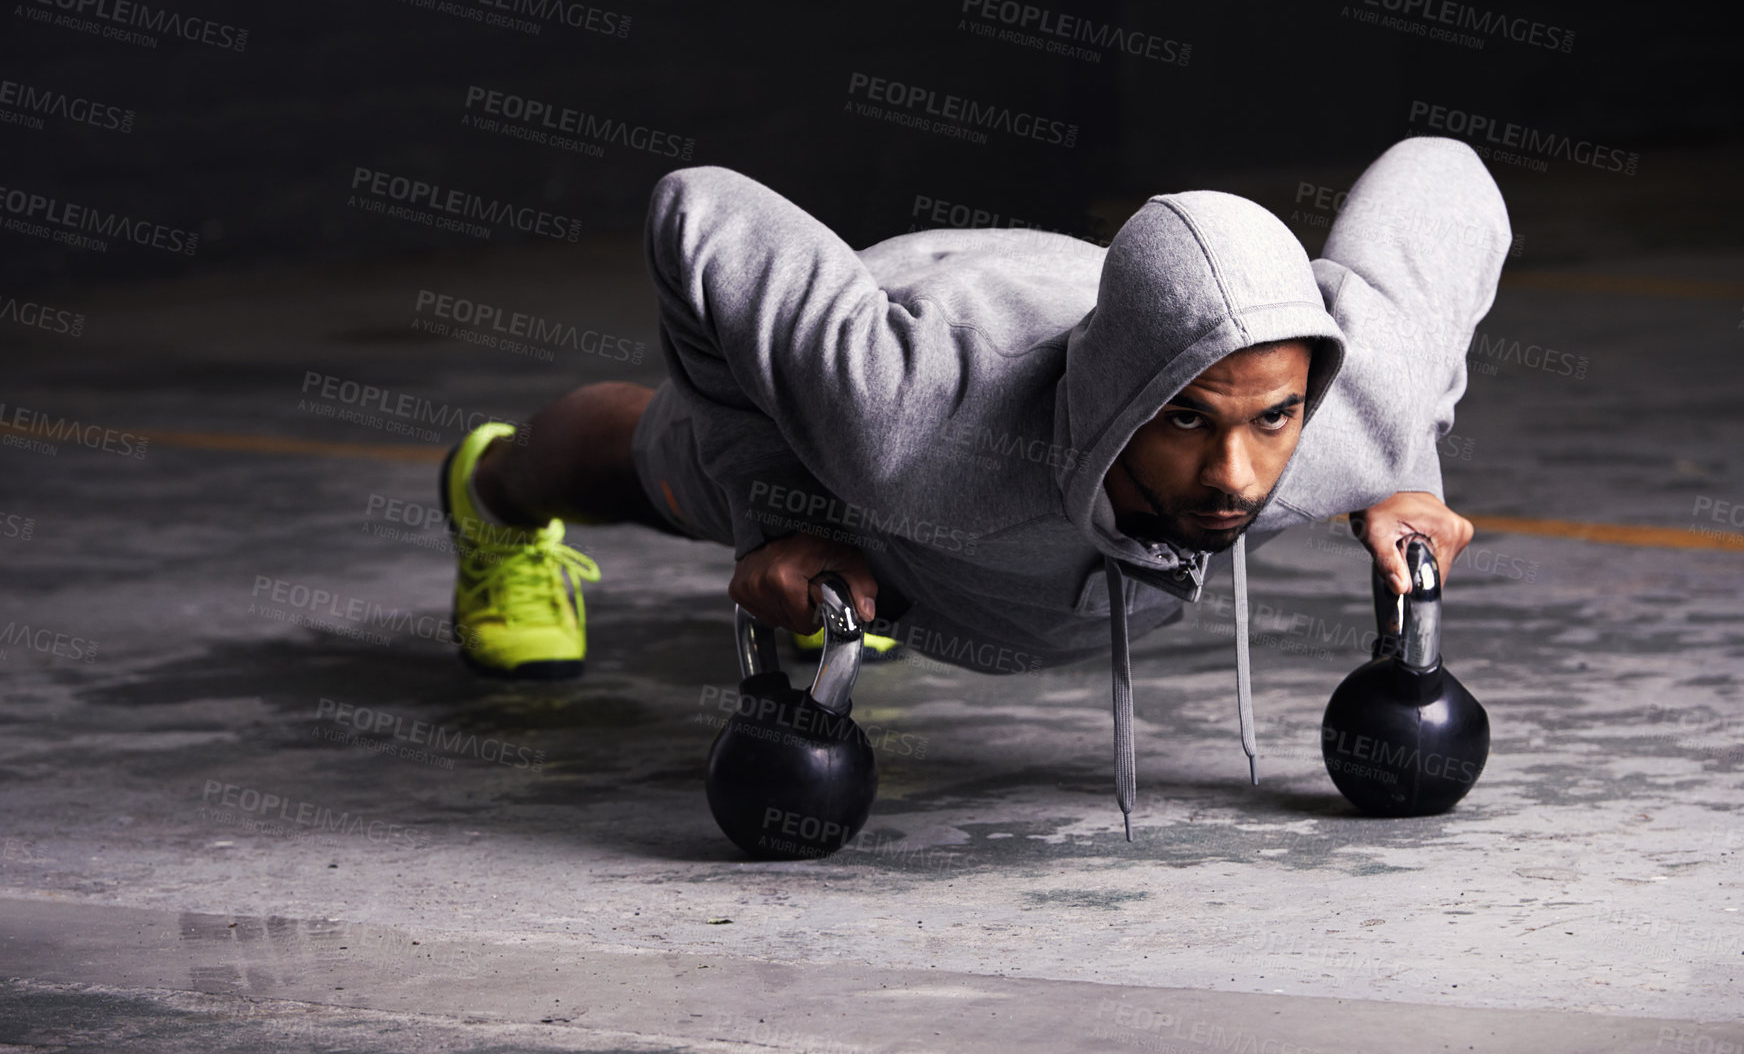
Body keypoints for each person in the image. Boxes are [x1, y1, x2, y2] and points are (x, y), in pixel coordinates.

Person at [436, 136, 1506, 835]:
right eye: (1183, 419)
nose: (1233, 476)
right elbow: (697, 211)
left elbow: (1443, 174)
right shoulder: (900, 422)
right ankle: (486, 495)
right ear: (1129, 397)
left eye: (1270, 420)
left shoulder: (1348, 406)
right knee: (650, 464)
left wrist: (1400, 465)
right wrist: (777, 516)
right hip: (915, 322)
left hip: (1096, 307)